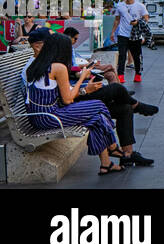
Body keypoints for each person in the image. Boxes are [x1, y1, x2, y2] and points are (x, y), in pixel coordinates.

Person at [24, 30, 124, 176]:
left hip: (38, 116)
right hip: (50, 116)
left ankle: (106, 164)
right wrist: (82, 77)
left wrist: (85, 90)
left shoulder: (39, 64)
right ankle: (113, 145)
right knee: (98, 105)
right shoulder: (58, 67)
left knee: (96, 118)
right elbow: (68, 99)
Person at [54, 28, 158, 166]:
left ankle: (128, 154)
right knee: (116, 88)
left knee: (124, 109)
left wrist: (84, 76)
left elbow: (71, 80)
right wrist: (85, 88)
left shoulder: (60, 64)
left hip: (80, 94)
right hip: (75, 101)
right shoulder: (56, 67)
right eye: (69, 46)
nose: (72, 47)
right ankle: (136, 105)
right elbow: (67, 96)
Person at [112, 0, 148, 84]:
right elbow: (117, 19)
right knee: (122, 55)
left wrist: (137, 23)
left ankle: (138, 74)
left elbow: (146, 19)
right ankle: (120, 76)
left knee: (137, 56)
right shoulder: (120, 5)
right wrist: (112, 32)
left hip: (135, 35)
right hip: (122, 34)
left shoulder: (140, 6)